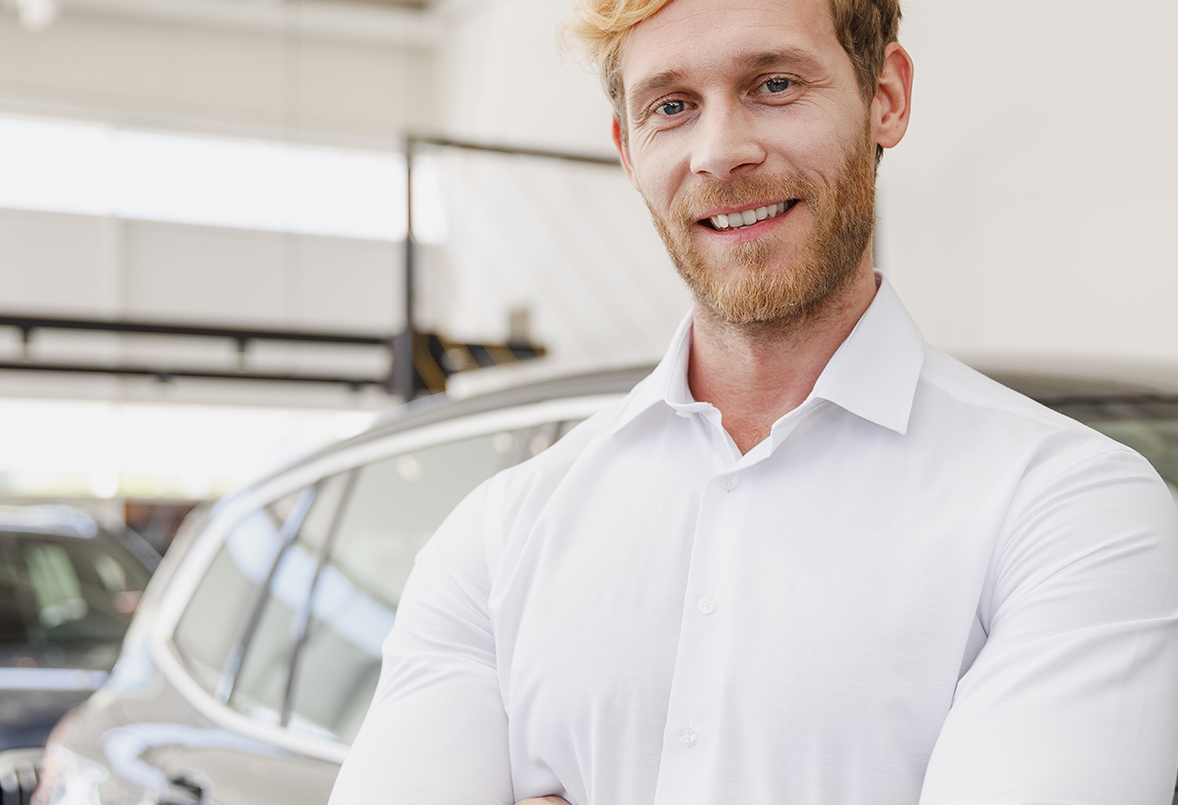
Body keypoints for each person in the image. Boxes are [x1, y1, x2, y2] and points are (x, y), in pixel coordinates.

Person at [329, 0, 1178, 802]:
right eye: (671, 106)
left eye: (774, 85)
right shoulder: (498, 536)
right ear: (628, 149)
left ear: (884, 97)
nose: (720, 151)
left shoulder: (1071, 507)